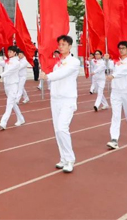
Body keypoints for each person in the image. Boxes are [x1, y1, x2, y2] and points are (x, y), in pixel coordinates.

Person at [39, 35, 79, 174]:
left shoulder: (74, 62)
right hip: (55, 99)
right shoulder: (55, 62)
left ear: (69, 46)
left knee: (62, 128)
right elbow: (52, 74)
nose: (60, 46)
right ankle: (63, 158)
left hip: (68, 99)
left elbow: (62, 74)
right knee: (57, 130)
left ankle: (70, 159)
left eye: (63, 44)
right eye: (59, 44)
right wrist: (45, 70)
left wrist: (48, 76)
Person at [106, 41, 127, 149]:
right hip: (115, 92)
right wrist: (106, 59)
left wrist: (114, 75)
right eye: (119, 48)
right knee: (115, 115)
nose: (121, 50)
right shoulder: (115, 62)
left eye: (123, 48)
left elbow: (124, 71)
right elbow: (106, 66)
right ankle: (114, 139)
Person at [0, 46, 25, 130]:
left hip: (13, 85)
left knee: (9, 103)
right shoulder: (8, 60)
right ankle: (21, 118)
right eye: (8, 51)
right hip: (6, 84)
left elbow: (9, 71)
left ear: (15, 53)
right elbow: (3, 62)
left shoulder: (17, 63)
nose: (9, 53)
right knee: (13, 103)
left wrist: (0, 76)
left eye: (11, 52)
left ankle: (3, 122)